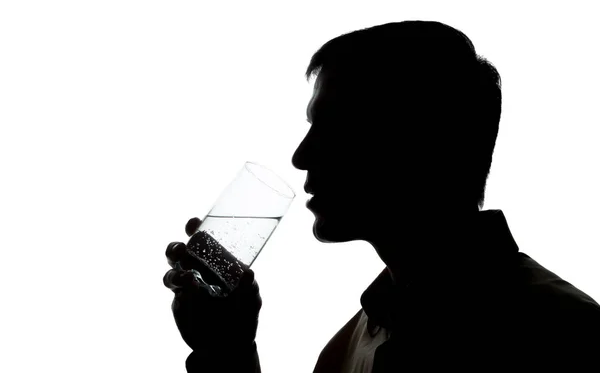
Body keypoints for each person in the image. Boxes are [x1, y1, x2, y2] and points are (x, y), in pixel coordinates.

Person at [163, 21, 600, 372]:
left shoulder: (565, 335)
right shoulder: (346, 348)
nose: (301, 156)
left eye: (333, 126)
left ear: (416, 139)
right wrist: (226, 348)